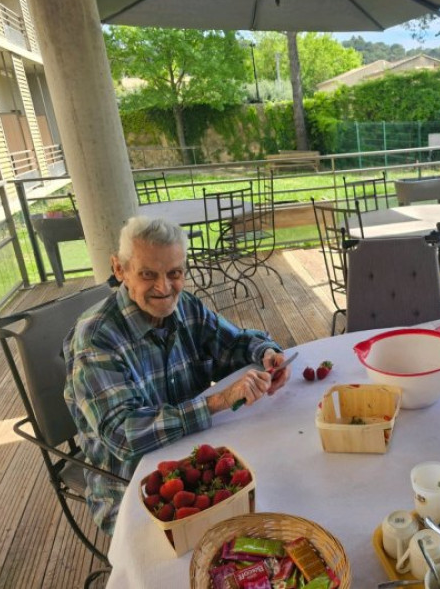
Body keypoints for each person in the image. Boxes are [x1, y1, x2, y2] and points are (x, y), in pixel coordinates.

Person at [64, 216, 292, 534]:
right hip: (135, 491)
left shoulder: (185, 305)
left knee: (285, 486)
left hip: (199, 460)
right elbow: (124, 436)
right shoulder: (96, 338)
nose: (164, 288)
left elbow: (233, 345)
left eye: (174, 273)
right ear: (119, 270)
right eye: (148, 274)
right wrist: (218, 401)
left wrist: (266, 353)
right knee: (257, 523)